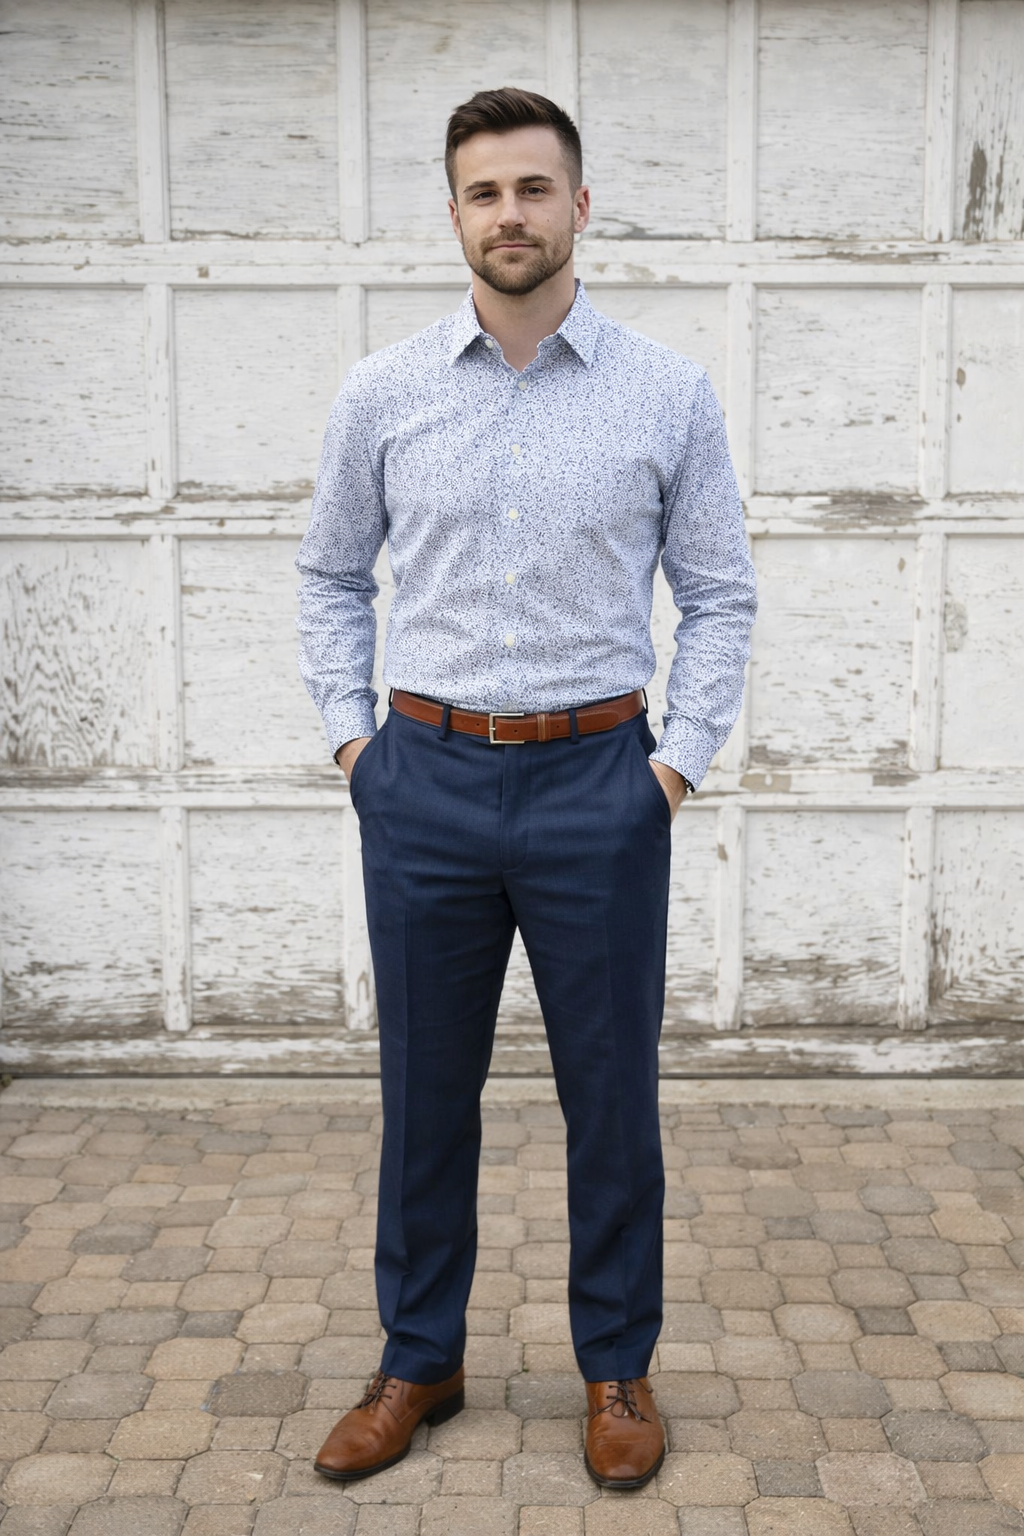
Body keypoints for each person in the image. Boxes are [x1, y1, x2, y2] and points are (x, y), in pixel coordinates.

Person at [295, 86, 757, 1491]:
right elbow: (327, 577)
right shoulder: (382, 392)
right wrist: (355, 747)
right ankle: (418, 1359)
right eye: (485, 193)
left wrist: (670, 769)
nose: (512, 215)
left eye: (535, 189)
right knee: (423, 1091)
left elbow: (722, 596)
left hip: (597, 786)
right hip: (422, 780)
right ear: (453, 215)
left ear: (580, 205)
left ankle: (616, 1368)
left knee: (609, 1096)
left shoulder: (666, 391)